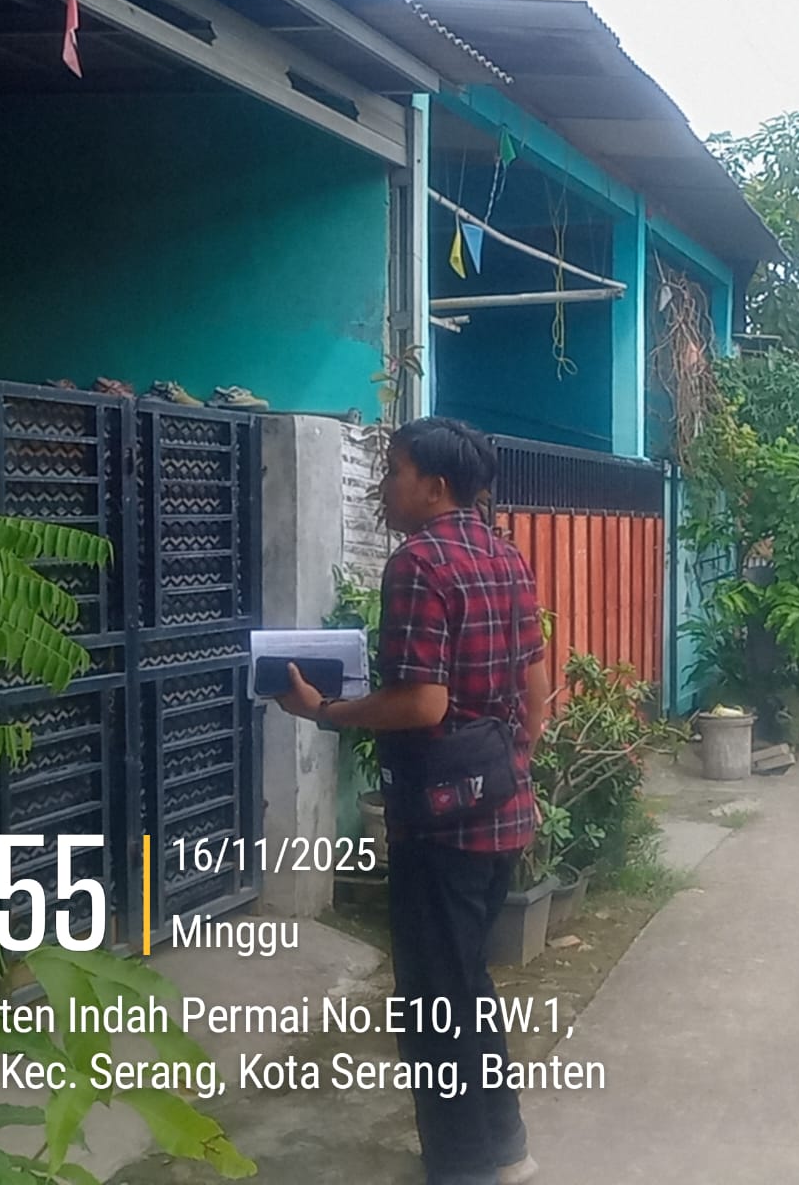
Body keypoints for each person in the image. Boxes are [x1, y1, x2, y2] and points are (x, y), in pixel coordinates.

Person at [279, 417, 549, 1185]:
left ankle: (463, 1165)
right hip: (501, 811)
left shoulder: (419, 564)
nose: (383, 485)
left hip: (439, 825)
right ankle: (504, 1148)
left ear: (434, 485)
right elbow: (535, 695)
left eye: (393, 470)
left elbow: (424, 703)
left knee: (433, 1001)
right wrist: (508, 767)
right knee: (468, 985)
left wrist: (325, 711)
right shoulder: (505, 555)